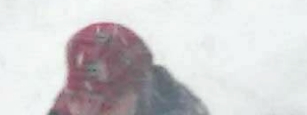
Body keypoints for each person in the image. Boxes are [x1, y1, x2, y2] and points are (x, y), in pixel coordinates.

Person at [48, 23, 209, 115]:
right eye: (76, 98)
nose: (87, 112)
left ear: (134, 92)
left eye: (106, 107)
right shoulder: (68, 109)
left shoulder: (176, 108)